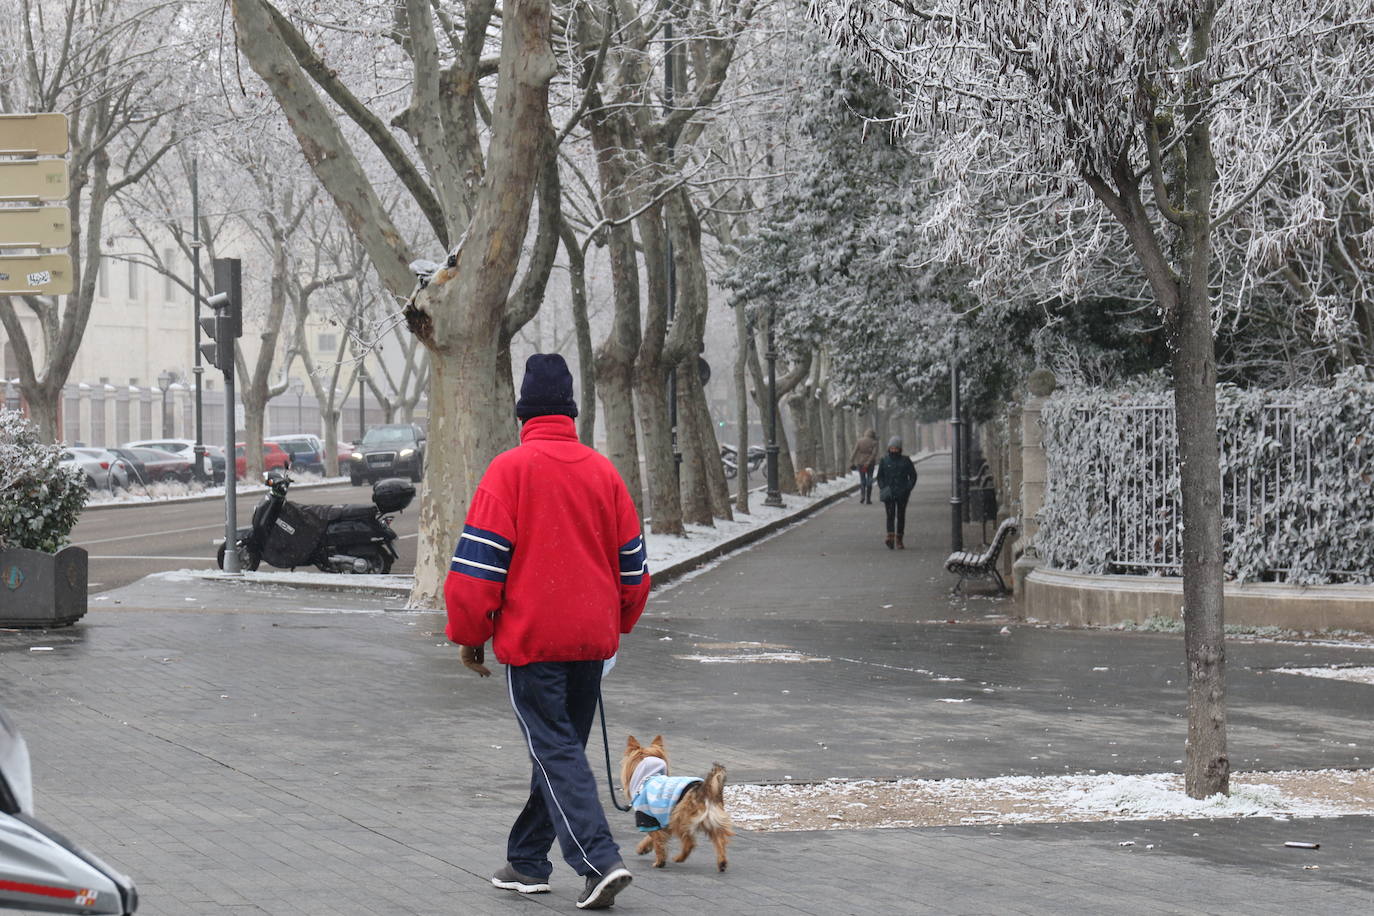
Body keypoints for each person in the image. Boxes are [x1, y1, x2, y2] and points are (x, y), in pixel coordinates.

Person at [445, 353, 651, 910]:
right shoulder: (603, 473)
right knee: (560, 750)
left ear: (523, 414)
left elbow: (476, 571)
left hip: (533, 642)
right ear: (572, 412)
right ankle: (527, 860)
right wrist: (618, 622)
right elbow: (633, 567)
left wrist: (470, 634)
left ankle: (598, 861)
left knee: (555, 749)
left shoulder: (508, 472)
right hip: (590, 642)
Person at [875, 436, 918, 549]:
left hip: (902, 493)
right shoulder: (884, 460)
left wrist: (908, 488)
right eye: (892, 448)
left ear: (900, 449)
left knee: (900, 516)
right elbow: (880, 477)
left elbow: (913, 476)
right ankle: (890, 537)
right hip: (888, 492)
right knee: (890, 515)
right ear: (889, 448)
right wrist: (883, 487)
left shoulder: (905, 460)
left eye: (896, 448)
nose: (894, 450)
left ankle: (899, 539)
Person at [849, 428, 880, 504]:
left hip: (861, 464)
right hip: (870, 464)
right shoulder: (874, 442)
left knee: (862, 479)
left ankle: (862, 496)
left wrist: (851, 461)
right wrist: (868, 462)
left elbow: (854, 451)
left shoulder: (859, 441)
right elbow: (874, 453)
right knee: (869, 479)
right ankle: (868, 499)